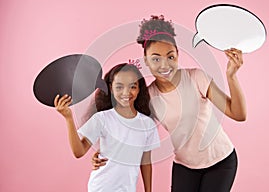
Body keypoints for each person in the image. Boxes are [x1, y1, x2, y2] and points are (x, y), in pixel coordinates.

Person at [93, 15, 246, 192]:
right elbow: (129, 129)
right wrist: (103, 153)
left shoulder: (196, 78)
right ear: (146, 62)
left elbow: (238, 114)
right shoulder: (148, 96)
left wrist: (231, 76)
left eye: (170, 57)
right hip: (185, 166)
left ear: (177, 56)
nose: (164, 64)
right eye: (156, 58)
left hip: (221, 161)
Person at [54, 63, 160, 192]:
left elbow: (146, 161)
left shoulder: (147, 124)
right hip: (101, 187)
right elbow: (79, 151)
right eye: (119, 87)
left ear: (139, 89)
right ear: (111, 87)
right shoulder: (102, 119)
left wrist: (148, 190)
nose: (126, 92)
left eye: (132, 86)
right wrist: (68, 118)